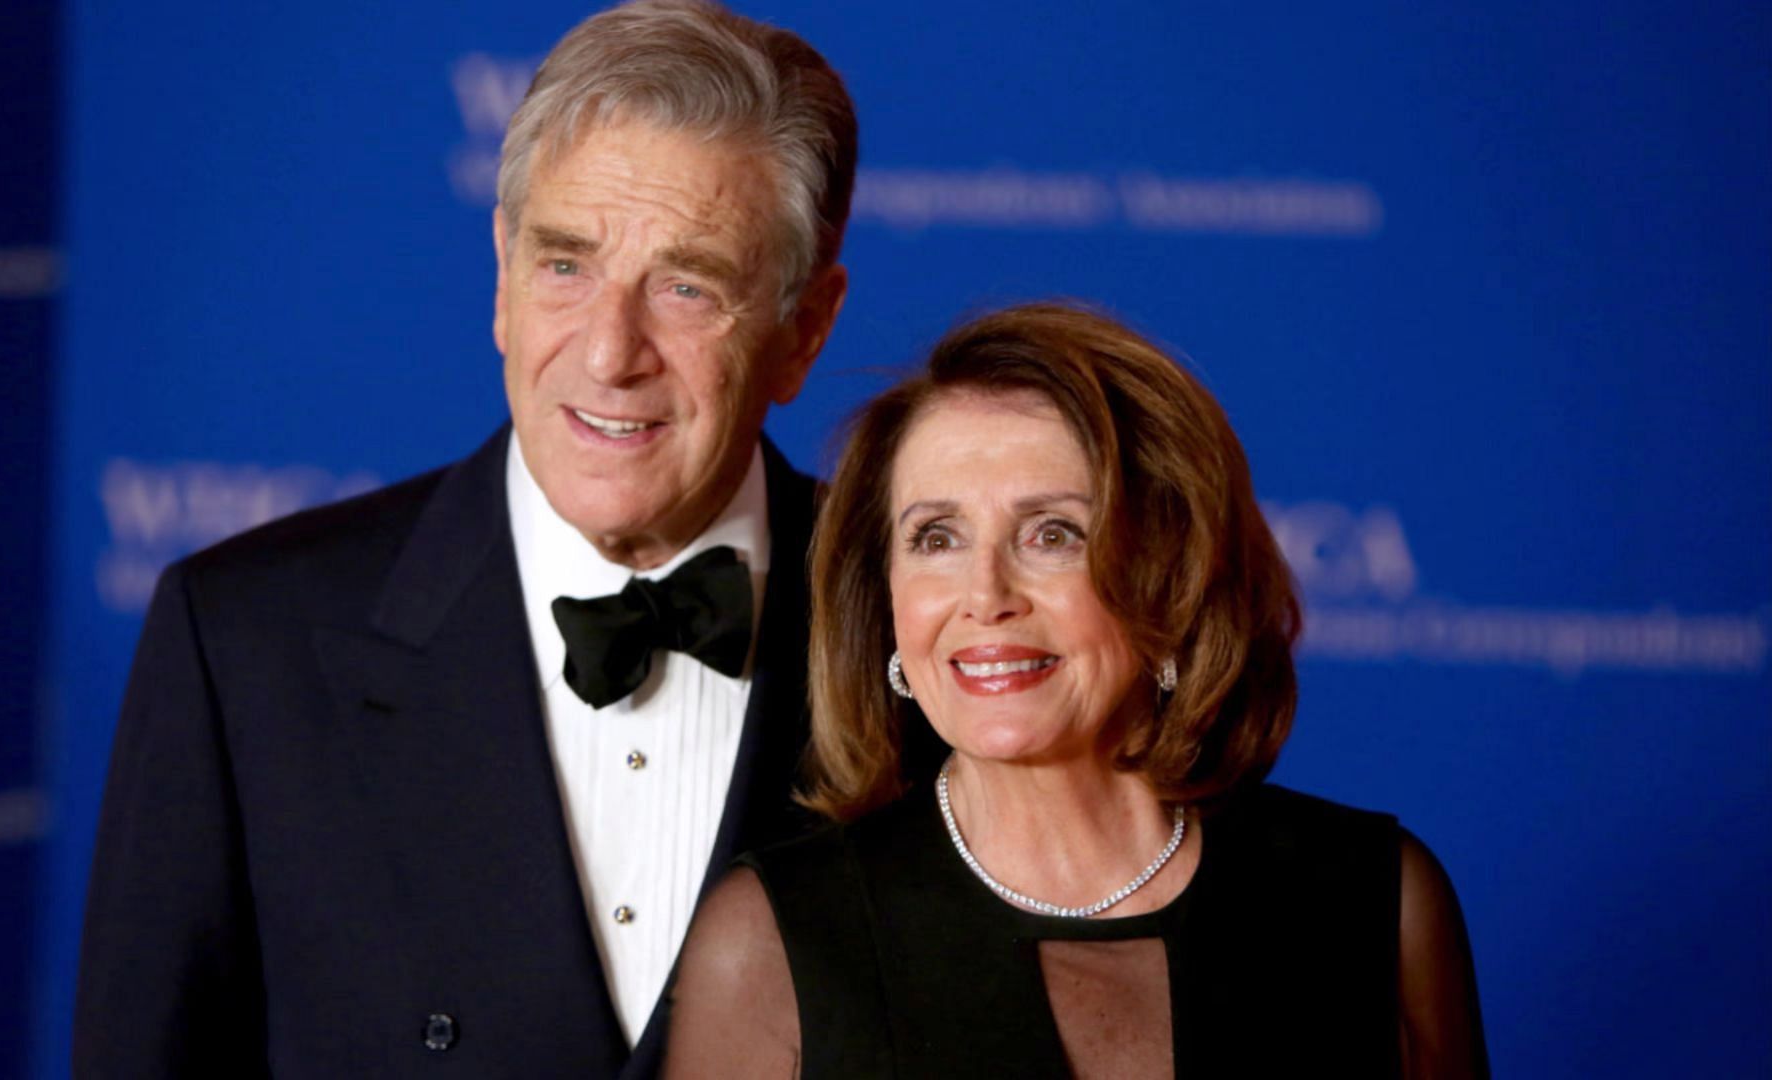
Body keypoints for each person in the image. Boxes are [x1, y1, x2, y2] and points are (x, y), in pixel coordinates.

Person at [74, 2, 853, 1075]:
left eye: (687, 286)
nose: (609, 352)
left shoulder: (918, 636)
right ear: (502, 272)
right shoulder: (245, 642)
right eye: (566, 266)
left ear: (802, 331)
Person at [666, 303, 1488, 1077]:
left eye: (1052, 533)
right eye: (936, 537)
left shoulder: (1374, 899)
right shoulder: (774, 938)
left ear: (1172, 573)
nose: (985, 595)